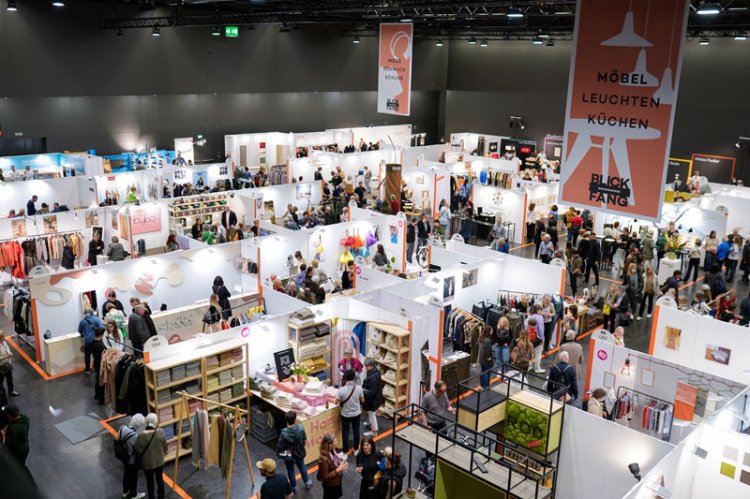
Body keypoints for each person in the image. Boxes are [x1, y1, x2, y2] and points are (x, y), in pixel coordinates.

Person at [276, 411, 312, 493]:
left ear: (286, 420)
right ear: (295, 419)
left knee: (290, 470)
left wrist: (279, 453)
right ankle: (307, 482)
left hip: (288, 453)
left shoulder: (284, 433)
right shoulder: (301, 428)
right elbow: (304, 439)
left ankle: (293, 487)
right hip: (298, 451)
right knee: (302, 466)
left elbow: (280, 446)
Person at [135, 413, 167, 499]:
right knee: (159, 479)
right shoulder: (161, 432)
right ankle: (161, 496)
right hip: (159, 461)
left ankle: (151, 497)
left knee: (150, 481)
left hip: (147, 463)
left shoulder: (140, 436)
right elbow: (165, 445)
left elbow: (138, 450)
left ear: (146, 422)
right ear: (156, 422)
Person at [336, 369, 365, 453]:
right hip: (356, 413)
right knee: (356, 430)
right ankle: (356, 449)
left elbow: (336, 402)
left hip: (345, 414)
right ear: (354, 377)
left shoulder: (341, 390)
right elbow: (362, 401)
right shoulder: (359, 388)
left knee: (345, 432)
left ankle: (345, 451)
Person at [118, 413, 145, 499]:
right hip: (132, 460)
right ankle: (134, 494)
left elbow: (119, 439)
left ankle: (125, 491)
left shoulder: (122, 428)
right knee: (133, 477)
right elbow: (138, 449)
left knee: (126, 474)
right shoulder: (136, 436)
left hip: (123, 456)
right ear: (139, 424)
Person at [2, 405, 31, 477]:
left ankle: (28, 480)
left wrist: (3, 434)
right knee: (21, 464)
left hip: (18, 451)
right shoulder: (25, 418)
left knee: (19, 466)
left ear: (9, 416)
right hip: (25, 447)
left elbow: (5, 444)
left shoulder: (13, 429)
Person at [318, 433, 347, 499]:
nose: (337, 443)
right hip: (330, 485)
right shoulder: (323, 459)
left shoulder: (334, 450)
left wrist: (343, 464)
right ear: (330, 445)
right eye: (335, 442)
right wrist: (337, 470)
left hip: (337, 481)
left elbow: (338, 460)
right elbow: (325, 477)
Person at [361, 358, 383, 436]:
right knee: (370, 413)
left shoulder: (373, 377)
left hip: (373, 400)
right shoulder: (375, 372)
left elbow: (372, 392)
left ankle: (374, 431)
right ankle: (370, 424)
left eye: (367, 366)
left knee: (372, 414)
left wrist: (362, 390)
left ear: (371, 366)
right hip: (376, 398)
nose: (365, 368)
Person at [78, 308, 103, 373]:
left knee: (87, 355)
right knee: (97, 356)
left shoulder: (82, 321)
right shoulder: (96, 319)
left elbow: (79, 331)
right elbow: (101, 328)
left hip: (88, 341)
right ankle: (97, 368)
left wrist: (84, 333)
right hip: (96, 340)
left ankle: (87, 369)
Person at [0, 331, 19, 396]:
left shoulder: (4, 342)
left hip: (7, 363)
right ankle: (1, 392)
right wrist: (7, 355)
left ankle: (11, 391)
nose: (4, 337)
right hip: (1, 365)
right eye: (3, 336)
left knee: (9, 378)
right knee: (0, 380)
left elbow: (7, 349)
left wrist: (9, 353)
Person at [90, 328, 106, 404]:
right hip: (101, 364)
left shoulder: (92, 343)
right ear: (101, 335)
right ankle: (101, 399)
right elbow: (103, 356)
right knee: (101, 381)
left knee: (97, 379)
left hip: (96, 362)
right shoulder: (101, 345)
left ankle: (96, 395)